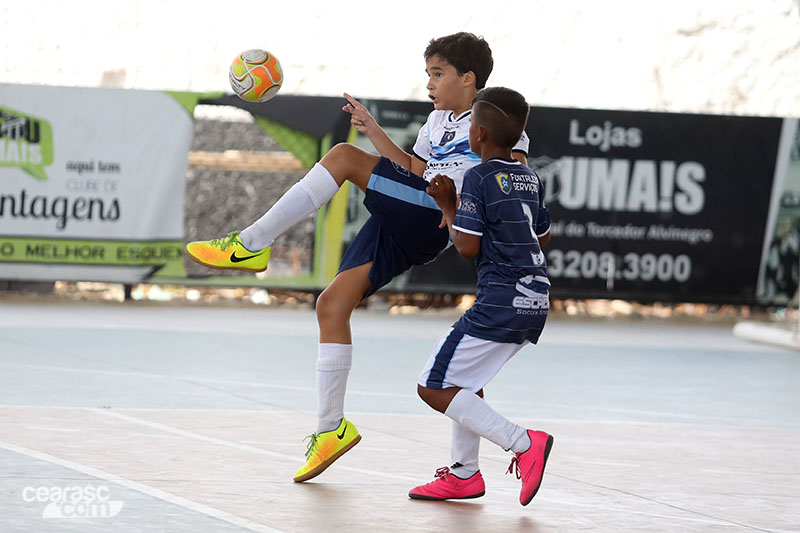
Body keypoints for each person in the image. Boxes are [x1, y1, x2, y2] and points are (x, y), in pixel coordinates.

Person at [184, 32, 529, 483]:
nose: (429, 83)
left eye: (438, 74)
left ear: (469, 79)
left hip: (435, 215)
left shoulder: (496, 119)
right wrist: (375, 132)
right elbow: (414, 169)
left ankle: (250, 243)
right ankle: (331, 430)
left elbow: (509, 170)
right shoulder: (436, 121)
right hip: (409, 208)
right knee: (331, 304)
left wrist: (471, 212)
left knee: (345, 158)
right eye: (428, 74)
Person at [410, 87, 552, 506]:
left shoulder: (478, 176)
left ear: (480, 134)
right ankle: (463, 474)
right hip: (535, 297)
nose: (468, 130)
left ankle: (524, 444)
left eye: (471, 124)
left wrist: (447, 204)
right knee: (465, 381)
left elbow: (467, 246)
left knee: (432, 386)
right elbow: (541, 235)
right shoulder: (530, 177)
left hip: (501, 298)